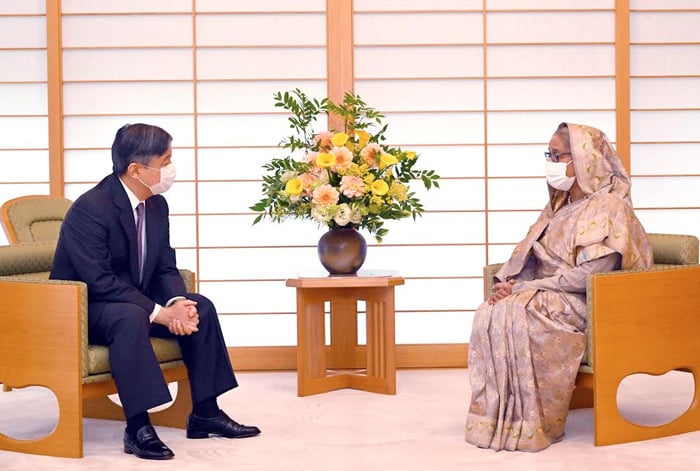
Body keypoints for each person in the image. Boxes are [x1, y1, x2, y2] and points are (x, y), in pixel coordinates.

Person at [50, 123, 260, 460]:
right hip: (86, 307)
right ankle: (137, 427)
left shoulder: (156, 205)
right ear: (136, 170)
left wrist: (178, 302)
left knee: (201, 306)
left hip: (130, 301)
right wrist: (160, 313)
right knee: (130, 316)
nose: (171, 169)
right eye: (165, 161)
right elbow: (99, 280)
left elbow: (164, 265)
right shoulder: (91, 208)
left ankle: (205, 412)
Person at [465, 122, 652, 452]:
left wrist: (531, 288)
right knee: (491, 312)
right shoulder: (558, 206)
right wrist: (514, 284)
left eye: (558, 155)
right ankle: (501, 419)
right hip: (547, 290)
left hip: (586, 300)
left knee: (525, 312)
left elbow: (592, 275)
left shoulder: (608, 207)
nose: (551, 163)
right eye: (548, 155)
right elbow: (532, 258)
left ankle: (535, 423)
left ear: (584, 158)